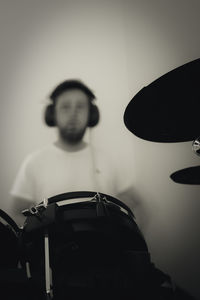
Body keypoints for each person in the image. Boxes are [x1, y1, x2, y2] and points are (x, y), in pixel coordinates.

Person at [10, 79, 135, 226]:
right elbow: (15, 213)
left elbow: (136, 206)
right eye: (65, 107)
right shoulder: (33, 162)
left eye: (80, 107)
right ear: (52, 114)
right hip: (52, 247)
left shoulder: (110, 160)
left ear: (92, 114)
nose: (73, 114)